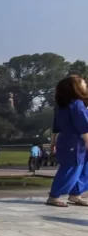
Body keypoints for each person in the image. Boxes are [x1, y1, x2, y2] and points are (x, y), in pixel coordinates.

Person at [46, 76, 88, 207]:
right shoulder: (76, 103)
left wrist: (53, 142)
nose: (86, 84)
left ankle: (76, 194)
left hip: (70, 141)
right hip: (75, 142)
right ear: (76, 87)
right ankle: (54, 196)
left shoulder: (61, 104)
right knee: (71, 168)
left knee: (83, 168)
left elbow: (55, 125)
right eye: (83, 83)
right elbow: (83, 126)